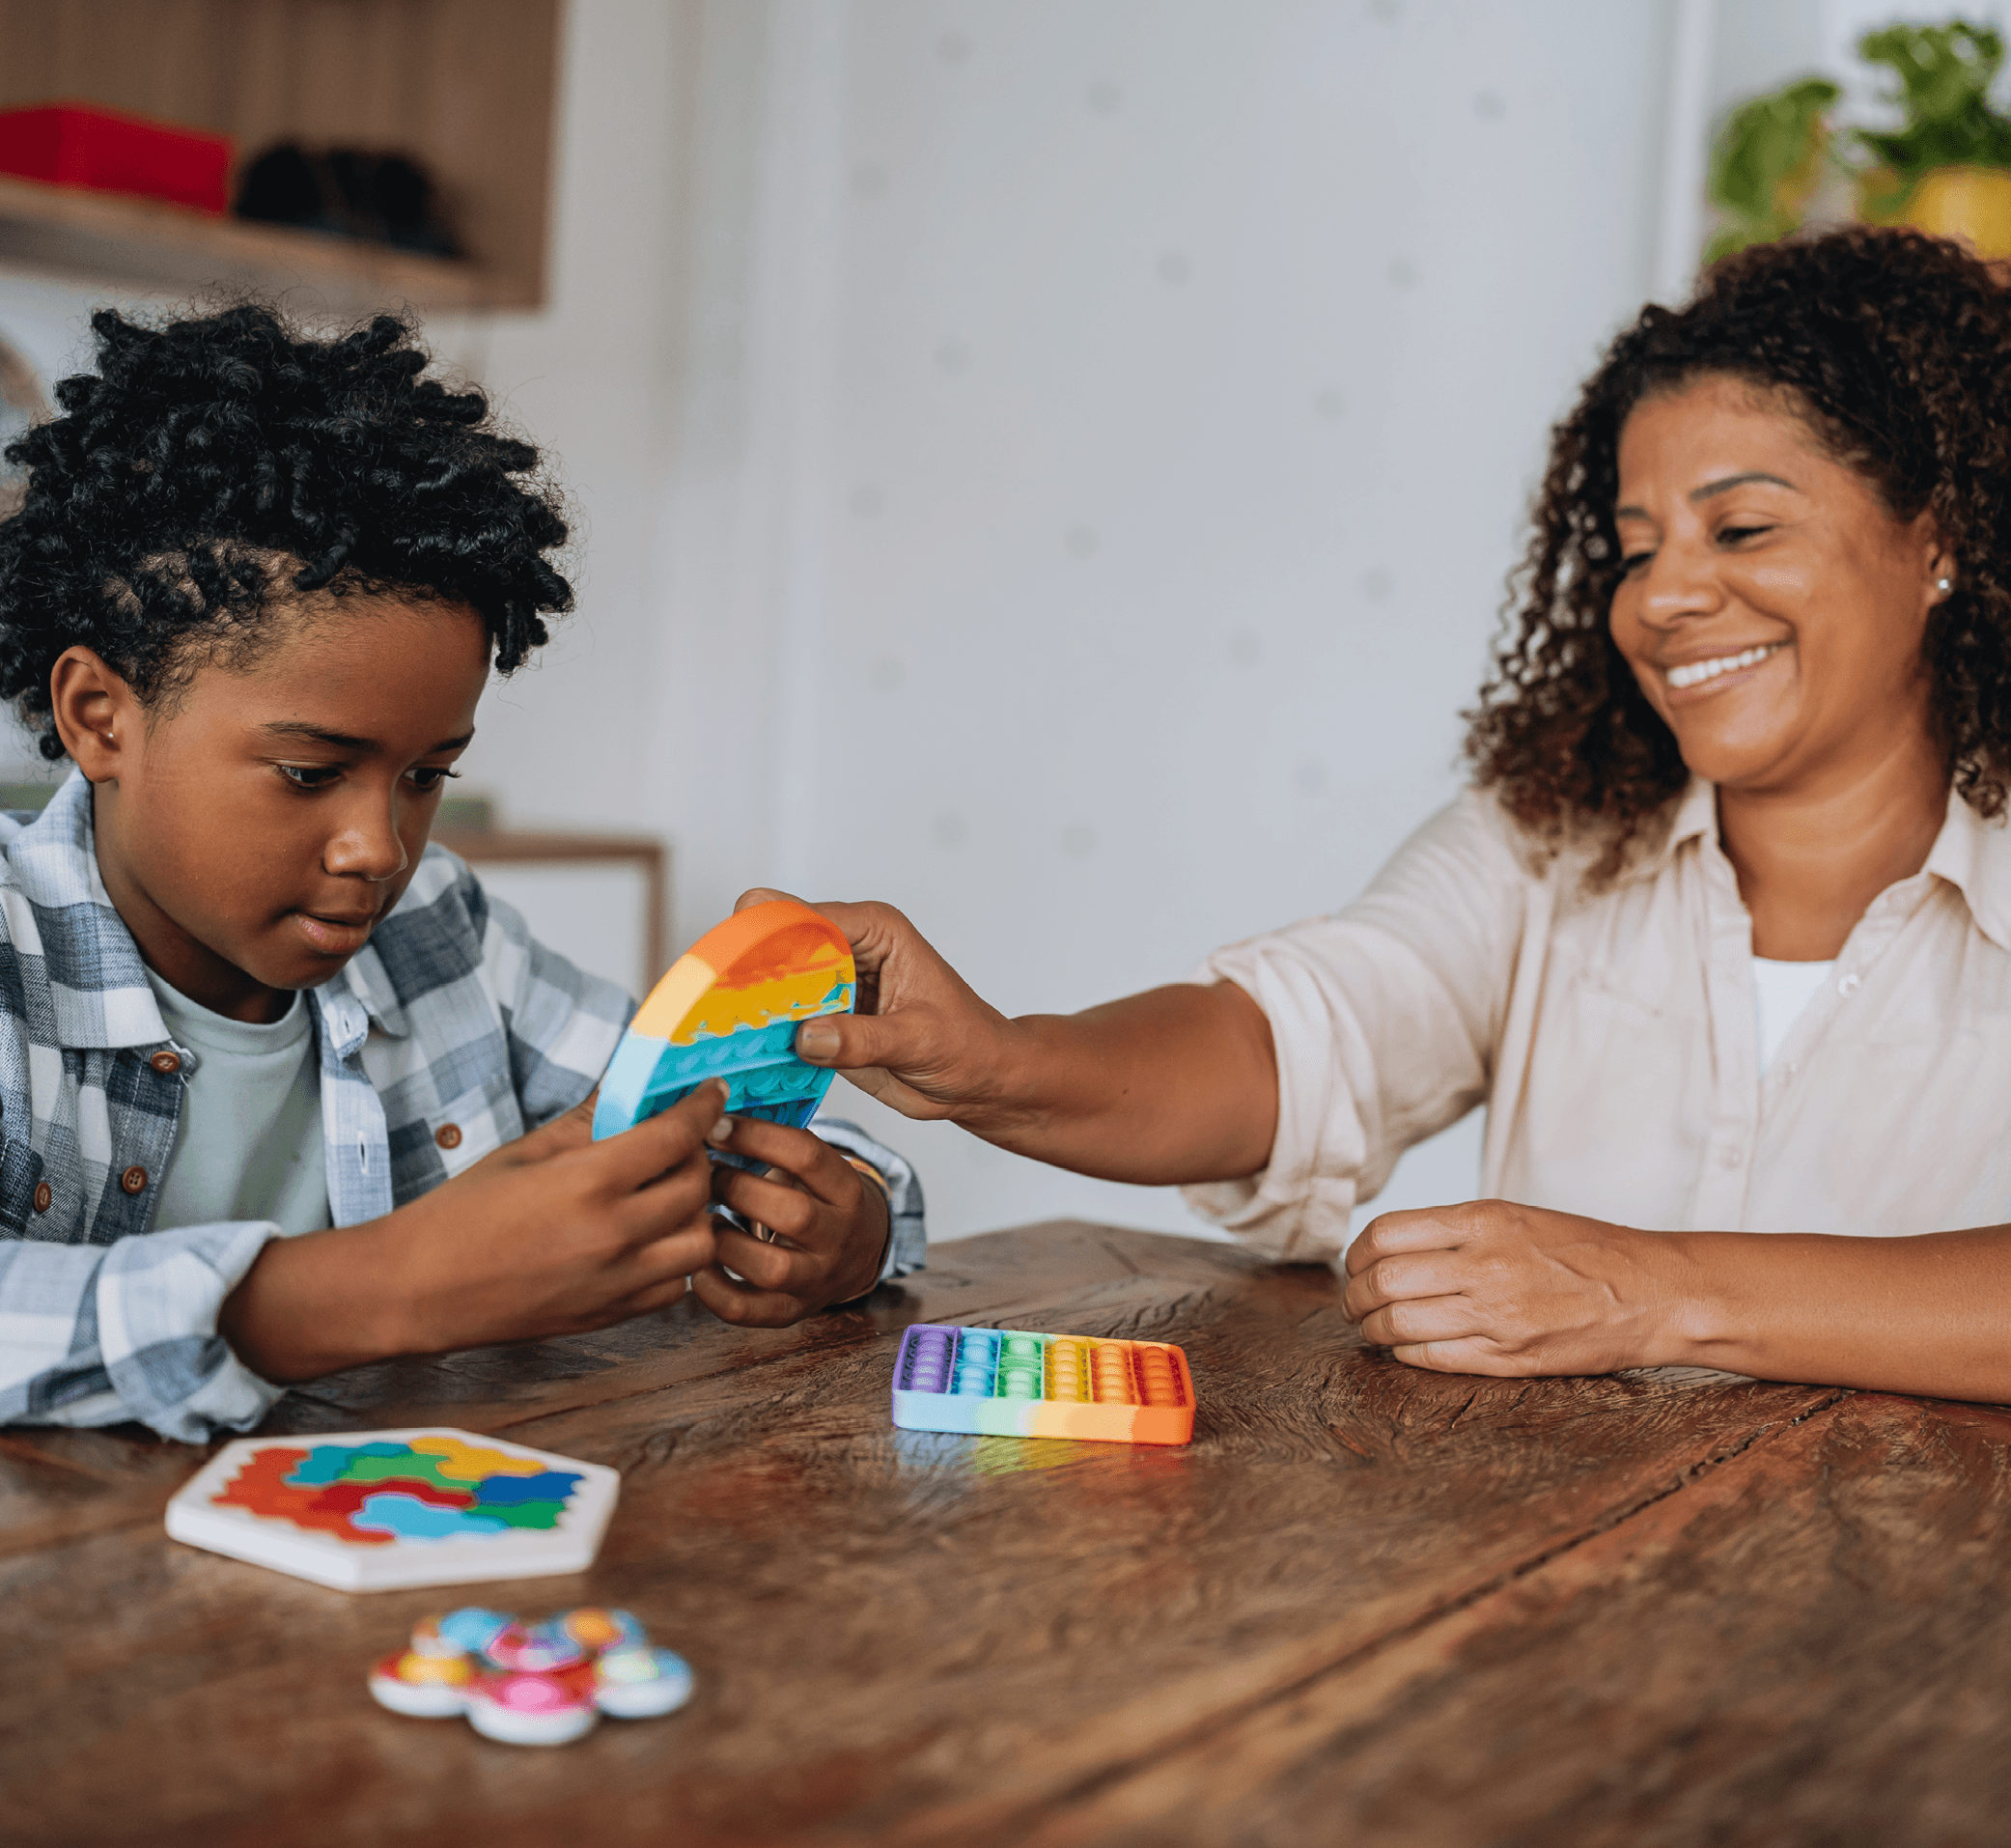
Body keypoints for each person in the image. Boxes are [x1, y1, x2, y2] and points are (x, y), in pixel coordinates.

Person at [758, 227, 2011, 1404]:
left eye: (1738, 526)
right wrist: (1000, 1059)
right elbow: (1296, 1042)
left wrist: (1656, 1292)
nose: (1662, 595)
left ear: (1937, 538)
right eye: (1632, 549)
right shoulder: (1549, 836)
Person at [0, 303, 922, 1443]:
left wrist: (849, 1224)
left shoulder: (440, 934)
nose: (379, 849)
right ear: (99, 717)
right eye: (306, 772)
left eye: (426, 775)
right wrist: (376, 1288)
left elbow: (737, 1128)